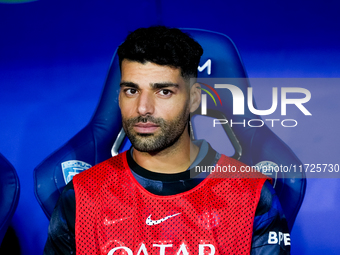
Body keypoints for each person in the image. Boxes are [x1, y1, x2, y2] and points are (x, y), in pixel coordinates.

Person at [44, 26, 290, 255]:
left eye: (164, 92)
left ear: (194, 99)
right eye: (131, 90)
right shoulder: (81, 196)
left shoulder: (252, 196)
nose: (143, 108)